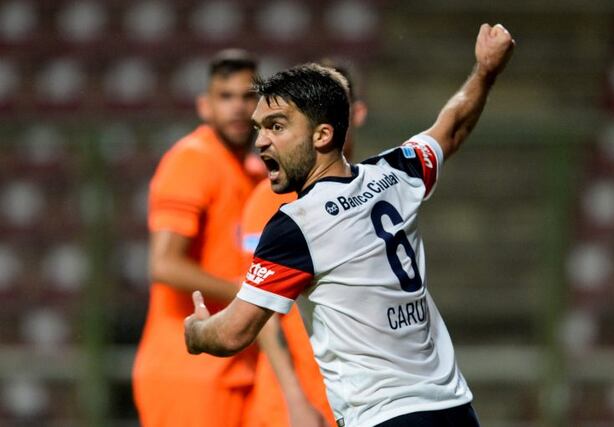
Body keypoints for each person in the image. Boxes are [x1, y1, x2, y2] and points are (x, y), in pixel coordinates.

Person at [185, 23, 515, 427]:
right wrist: (485, 72)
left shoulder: (296, 225)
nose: (261, 142)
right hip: (454, 409)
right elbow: (452, 127)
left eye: (276, 126)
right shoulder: (397, 172)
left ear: (323, 134)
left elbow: (234, 333)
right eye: (260, 128)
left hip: (383, 416)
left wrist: (198, 332)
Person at [132, 49, 261, 427]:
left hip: (232, 362)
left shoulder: (254, 173)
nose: (238, 107)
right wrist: (248, 292)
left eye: (247, 96)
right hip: (186, 367)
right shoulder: (193, 159)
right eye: (226, 97)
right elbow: (163, 264)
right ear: (205, 106)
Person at [241, 60, 368, 427]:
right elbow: (259, 308)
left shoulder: (372, 189)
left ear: (353, 113)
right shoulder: (269, 200)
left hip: (357, 401)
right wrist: (295, 400)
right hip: (294, 406)